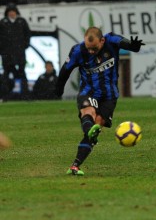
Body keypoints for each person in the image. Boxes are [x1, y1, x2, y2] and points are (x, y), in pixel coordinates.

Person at [55, 27, 145, 175]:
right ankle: (89, 131)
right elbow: (65, 70)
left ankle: (75, 166)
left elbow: (123, 42)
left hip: (109, 96)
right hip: (88, 91)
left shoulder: (111, 40)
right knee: (88, 111)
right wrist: (59, 89)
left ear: (102, 40)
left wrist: (132, 46)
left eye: (94, 48)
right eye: (88, 48)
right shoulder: (78, 50)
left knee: (95, 129)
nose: (91, 51)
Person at [0, 3, 31, 100]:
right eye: (10, 12)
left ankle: (25, 96)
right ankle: (4, 96)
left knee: (22, 74)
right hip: (6, 55)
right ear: (7, 13)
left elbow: (27, 35)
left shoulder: (21, 21)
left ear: (16, 12)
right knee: (6, 75)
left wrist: (23, 47)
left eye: (13, 11)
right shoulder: (2, 22)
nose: (12, 13)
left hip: (20, 54)